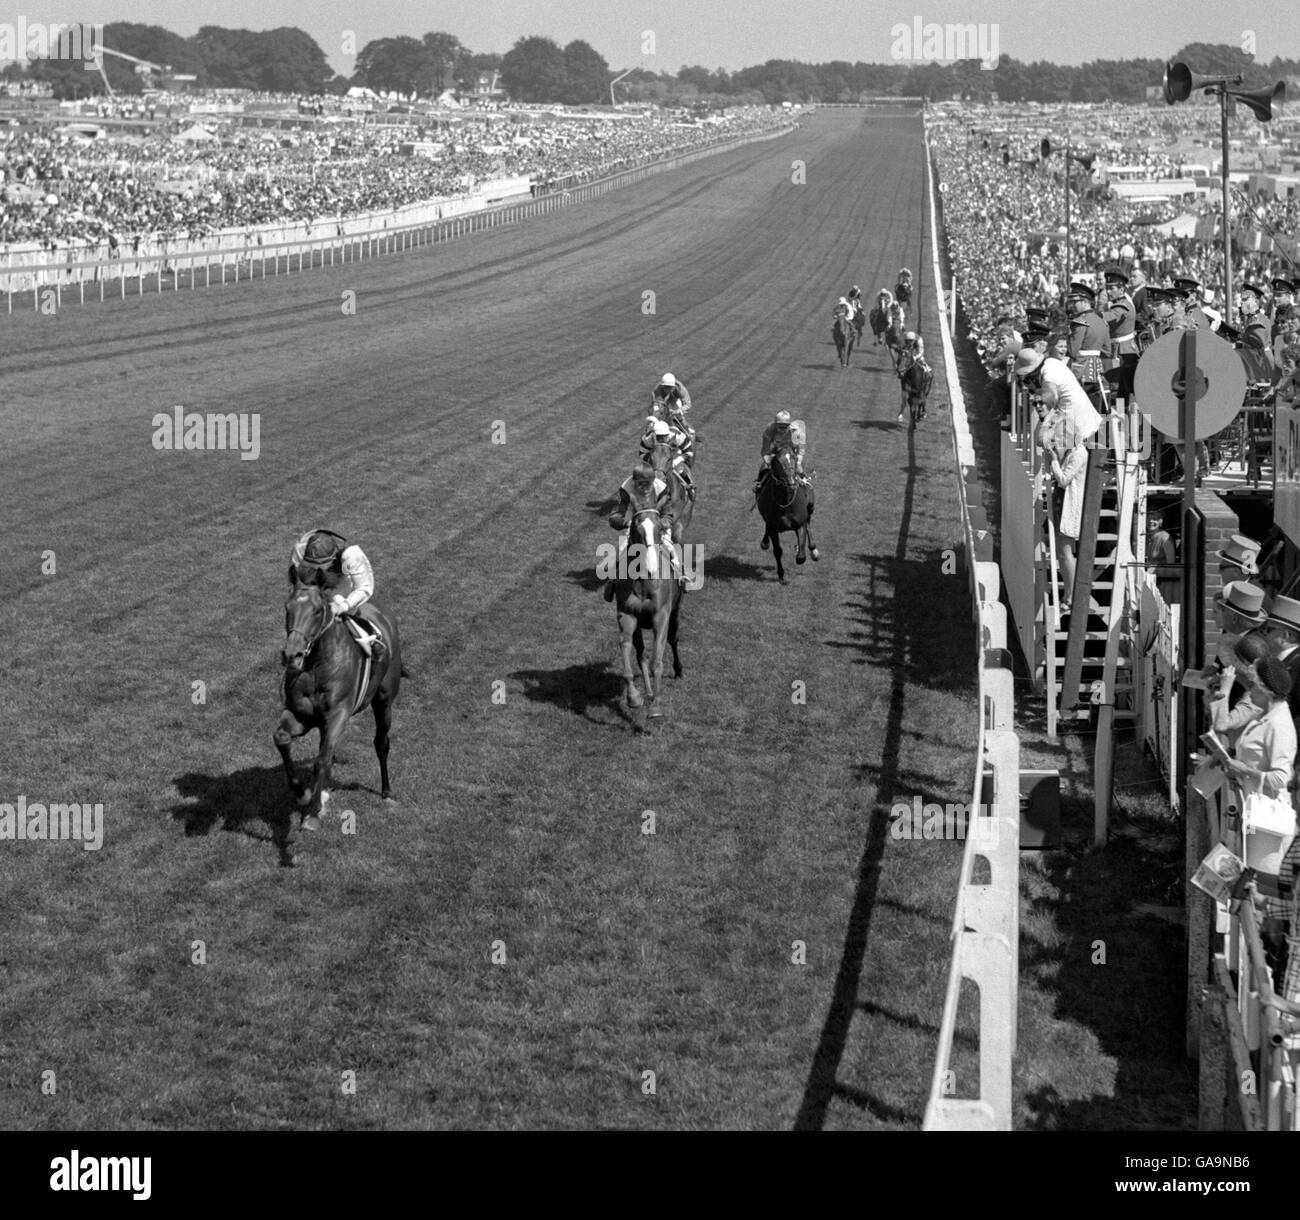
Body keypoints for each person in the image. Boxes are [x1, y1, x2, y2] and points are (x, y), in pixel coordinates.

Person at [289, 528, 385, 657]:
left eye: (320, 565)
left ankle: (371, 636)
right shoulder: (300, 549)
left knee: (340, 603)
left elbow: (364, 587)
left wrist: (344, 606)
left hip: (340, 582)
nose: (315, 568)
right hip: (312, 584)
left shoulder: (350, 555)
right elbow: (295, 582)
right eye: (311, 564)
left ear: (332, 558)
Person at [1037, 414, 1088, 611]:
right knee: (1061, 551)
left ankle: (1071, 595)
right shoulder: (1072, 451)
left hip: (1071, 505)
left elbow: (1064, 479)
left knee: (1066, 552)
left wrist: (1054, 461)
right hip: (1063, 502)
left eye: (1061, 437)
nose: (1058, 440)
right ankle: (1069, 593)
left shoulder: (1079, 453)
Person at [1013, 346, 1102, 444]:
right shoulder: (1051, 362)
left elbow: (1047, 403)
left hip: (1073, 419)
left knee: (1043, 441)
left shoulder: (1049, 378)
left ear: (1033, 372)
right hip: (1081, 415)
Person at [754, 409, 806, 496]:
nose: (782, 429)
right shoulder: (770, 430)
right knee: (764, 467)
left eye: (785, 427)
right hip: (777, 450)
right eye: (779, 427)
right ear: (775, 424)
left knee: (799, 469)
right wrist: (768, 461)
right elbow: (765, 449)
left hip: (792, 451)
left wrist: (798, 462)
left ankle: (805, 484)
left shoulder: (796, 431)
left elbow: (801, 448)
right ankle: (760, 483)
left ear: (789, 425)